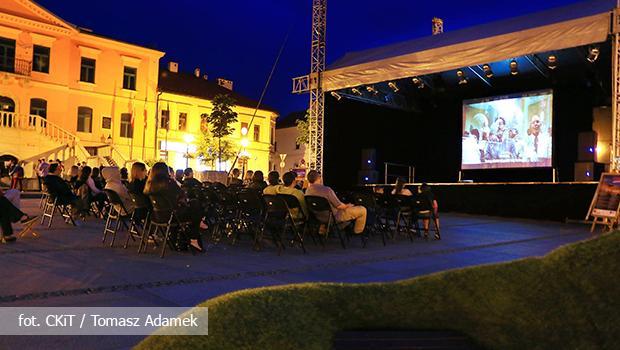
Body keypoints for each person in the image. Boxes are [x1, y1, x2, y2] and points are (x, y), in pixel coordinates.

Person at [144, 162, 204, 252]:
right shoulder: (169, 183)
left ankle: (198, 225)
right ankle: (194, 238)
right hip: (172, 216)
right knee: (195, 205)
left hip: (156, 217)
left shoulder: (149, 185)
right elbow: (181, 195)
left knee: (193, 209)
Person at [305, 170, 367, 235]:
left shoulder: (307, 191)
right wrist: (348, 205)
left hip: (318, 217)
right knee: (362, 210)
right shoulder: (327, 190)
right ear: (319, 178)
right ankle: (357, 233)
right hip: (334, 216)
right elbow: (339, 206)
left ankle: (328, 230)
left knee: (348, 217)